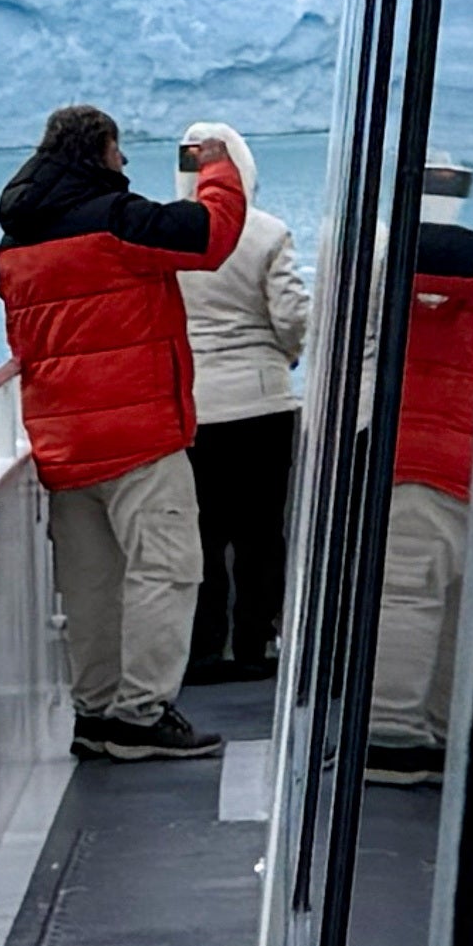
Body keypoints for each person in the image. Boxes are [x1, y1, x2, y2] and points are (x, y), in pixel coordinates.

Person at [0, 106, 242, 760]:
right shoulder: (116, 221)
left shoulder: (16, 242)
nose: (124, 163)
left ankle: (96, 711)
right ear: (99, 150)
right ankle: (140, 713)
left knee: (93, 584)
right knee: (167, 567)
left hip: (63, 441)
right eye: (118, 150)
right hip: (137, 436)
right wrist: (217, 167)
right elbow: (210, 237)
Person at [167, 120, 311, 684]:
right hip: (262, 406)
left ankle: (203, 650)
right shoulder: (268, 232)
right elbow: (293, 316)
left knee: (199, 531)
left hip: (193, 408)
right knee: (259, 532)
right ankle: (254, 644)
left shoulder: (166, 233)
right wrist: (285, 356)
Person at [363, 159, 473, 785]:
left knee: (407, 595)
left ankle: (390, 734)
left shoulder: (402, 287)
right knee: (456, 603)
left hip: (414, 459)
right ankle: (438, 731)